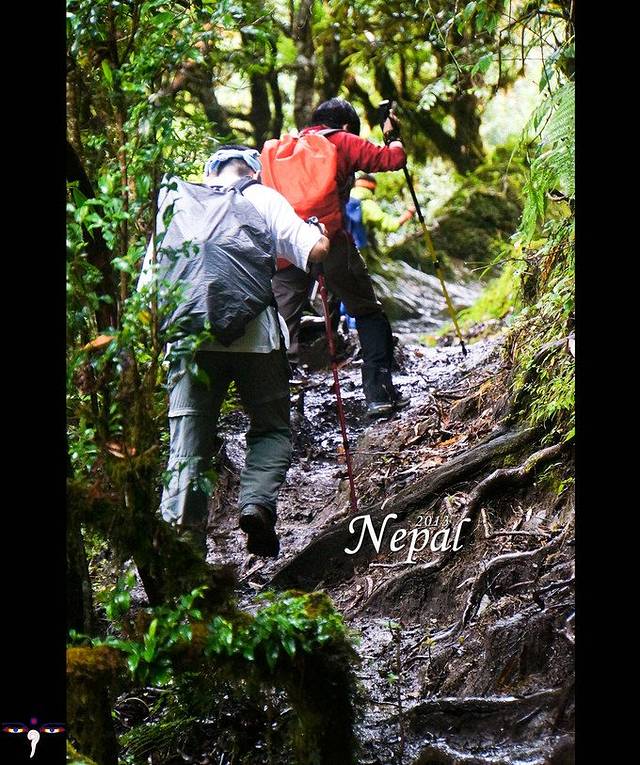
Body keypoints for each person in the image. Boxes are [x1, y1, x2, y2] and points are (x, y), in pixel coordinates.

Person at [138, 145, 329, 558]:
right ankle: (256, 504)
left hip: (190, 341)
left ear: (209, 171)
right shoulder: (263, 198)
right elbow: (314, 251)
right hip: (257, 338)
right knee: (272, 428)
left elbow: (146, 291)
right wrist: (322, 234)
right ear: (252, 171)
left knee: (187, 448)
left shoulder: (178, 204)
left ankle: (185, 554)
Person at [270, 98, 410, 417]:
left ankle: (279, 406)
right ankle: (379, 394)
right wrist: (392, 135)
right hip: (330, 242)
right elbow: (394, 159)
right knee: (367, 311)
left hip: (286, 246)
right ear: (346, 125)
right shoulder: (342, 140)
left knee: (282, 322)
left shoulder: (285, 149)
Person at [348, 173, 415, 262]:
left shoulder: (343, 198)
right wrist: (409, 213)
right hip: (355, 251)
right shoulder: (367, 204)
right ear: (372, 189)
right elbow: (390, 225)